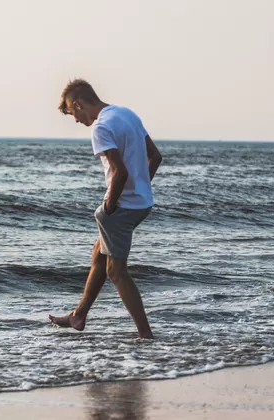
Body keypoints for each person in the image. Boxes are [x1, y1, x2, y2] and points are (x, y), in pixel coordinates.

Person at [49, 79, 163, 339]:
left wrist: (110, 207)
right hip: (141, 203)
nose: (76, 120)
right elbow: (155, 157)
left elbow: (119, 172)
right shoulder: (126, 114)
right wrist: (141, 188)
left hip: (122, 206)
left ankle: (146, 335)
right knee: (99, 254)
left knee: (116, 272)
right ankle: (79, 315)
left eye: (72, 113)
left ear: (77, 104)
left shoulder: (101, 127)